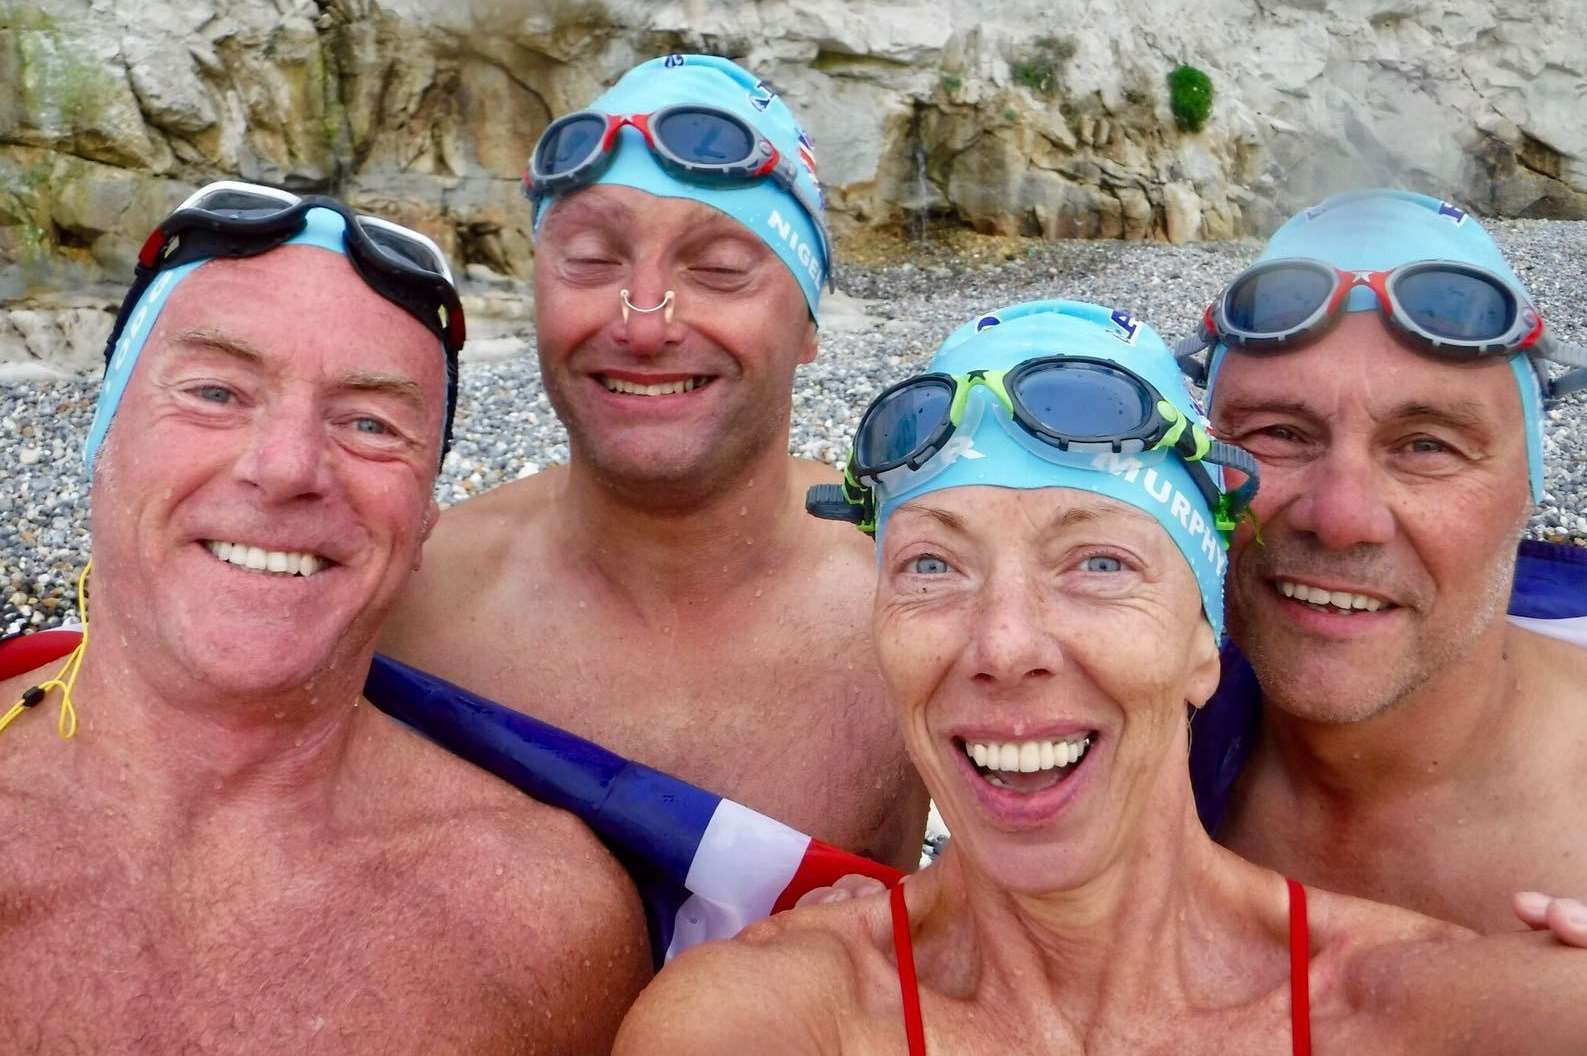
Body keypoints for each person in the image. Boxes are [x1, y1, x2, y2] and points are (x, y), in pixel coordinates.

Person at [615, 300, 1587, 1055]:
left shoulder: (1438, 1011)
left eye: (1099, 565)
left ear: (1204, 645)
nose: (1002, 645)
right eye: (934, 567)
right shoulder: (769, 1018)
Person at [0, 183, 650, 1053]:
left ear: (423, 518)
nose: (287, 467)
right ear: (103, 435)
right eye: (217, 392)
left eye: (370, 423)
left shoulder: (545, 922)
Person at [379, 54, 928, 871]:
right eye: (593, 261)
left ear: (809, 323)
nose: (643, 324)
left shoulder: (915, 602)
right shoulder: (404, 603)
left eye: (718, 270)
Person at [1181, 190, 1587, 936]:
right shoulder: (1129, 747)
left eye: (1426, 446)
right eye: (1278, 433)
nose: (1340, 520)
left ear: (1525, 489)